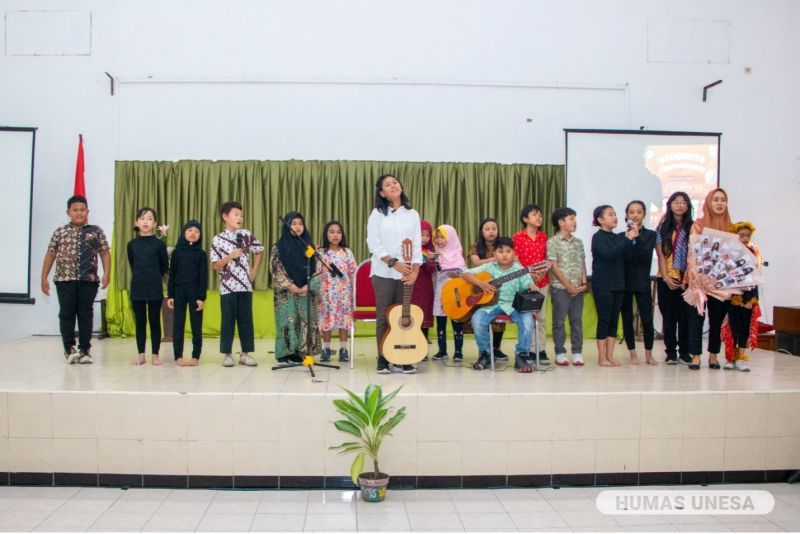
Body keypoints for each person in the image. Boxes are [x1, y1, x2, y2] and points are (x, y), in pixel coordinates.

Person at [41, 195, 110, 364]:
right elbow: (51, 253)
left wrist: (107, 273)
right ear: (68, 212)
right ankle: (69, 349)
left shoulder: (96, 231)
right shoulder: (60, 232)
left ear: (87, 212)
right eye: (75, 210)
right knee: (66, 314)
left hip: (89, 279)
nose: (79, 213)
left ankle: (85, 349)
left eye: (82, 210)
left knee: (85, 314)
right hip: (65, 280)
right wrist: (43, 277)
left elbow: (104, 252)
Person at [366, 174, 422, 374]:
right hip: (383, 272)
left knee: (402, 315)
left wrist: (415, 271)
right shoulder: (377, 214)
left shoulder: (412, 214)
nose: (393, 186)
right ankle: (383, 358)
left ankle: (402, 358)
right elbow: (374, 244)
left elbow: (416, 244)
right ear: (382, 193)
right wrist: (393, 263)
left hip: (407, 273)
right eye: (387, 185)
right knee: (384, 315)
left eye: (395, 182)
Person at [462, 237, 536, 373]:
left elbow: (530, 286)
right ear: (494, 255)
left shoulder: (519, 270)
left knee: (527, 321)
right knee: (477, 320)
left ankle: (521, 356)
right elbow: (465, 274)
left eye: (508, 251)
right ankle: (486, 354)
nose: (505, 254)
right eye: (500, 251)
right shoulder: (489, 267)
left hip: (515, 305)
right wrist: (481, 284)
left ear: (514, 253)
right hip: (491, 305)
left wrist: (533, 285)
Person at [210, 201, 264, 367]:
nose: (239, 217)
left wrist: (254, 269)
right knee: (228, 321)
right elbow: (215, 265)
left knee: (246, 320)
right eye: (235, 214)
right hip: (227, 287)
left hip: (245, 286)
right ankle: (227, 355)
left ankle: (245, 354)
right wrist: (230, 257)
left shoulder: (246, 235)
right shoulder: (218, 239)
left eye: (241, 215)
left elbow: (259, 250)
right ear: (225, 217)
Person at [687, 188, 733, 371]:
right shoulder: (698, 225)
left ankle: (713, 356)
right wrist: (697, 277)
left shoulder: (732, 227)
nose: (720, 203)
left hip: (721, 283)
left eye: (723, 199)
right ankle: (696, 356)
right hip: (699, 281)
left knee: (717, 320)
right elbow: (693, 252)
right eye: (715, 200)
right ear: (708, 202)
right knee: (696, 319)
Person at [591, 205, 637, 367]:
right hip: (602, 284)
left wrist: (631, 239)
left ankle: (610, 356)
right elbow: (608, 255)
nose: (615, 217)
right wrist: (626, 239)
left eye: (615, 214)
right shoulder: (598, 238)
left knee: (613, 320)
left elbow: (627, 256)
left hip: (618, 284)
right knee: (604, 319)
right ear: (600, 220)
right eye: (610, 215)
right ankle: (601, 357)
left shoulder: (619, 237)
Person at [655, 192, 694, 365]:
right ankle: (670, 352)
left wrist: (688, 278)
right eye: (676, 202)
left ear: (688, 207)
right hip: (666, 279)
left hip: (687, 280)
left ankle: (685, 352)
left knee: (685, 317)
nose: (680, 205)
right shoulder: (662, 228)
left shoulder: (693, 227)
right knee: (668, 317)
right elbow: (661, 255)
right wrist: (665, 276)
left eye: (683, 202)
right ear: (669, 205)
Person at [127, 207, 169, 366]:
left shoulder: (159, 244)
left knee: (154, 320)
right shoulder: (131, 244)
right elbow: (132, 263)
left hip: (154, 287)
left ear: (155, 223)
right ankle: (141, 354)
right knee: (140, 321)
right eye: (142, 218)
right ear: (136, 222)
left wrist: (153, 276)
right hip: (137, 286)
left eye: (150, 219)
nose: (146, 222)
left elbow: (164, 266)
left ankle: (155, 354)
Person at [546, 207, 587, 367]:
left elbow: (582, 263)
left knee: (576, 321)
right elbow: (553, 267)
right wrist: (568, 285)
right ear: (561, 222)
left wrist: (583, 283)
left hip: (578, 289)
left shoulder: (579, 242)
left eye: (575, 219)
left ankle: (577, 352)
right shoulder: (552, 242)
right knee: (559, 322)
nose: (574, 222)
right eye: (571, 219)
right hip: (560, 288)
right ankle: (560, 352)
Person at [620, 200, 658, 366]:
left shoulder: (650, 235)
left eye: (639, 212)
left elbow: (644, 254)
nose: (635, 215)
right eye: (631, 212)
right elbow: (624, 257)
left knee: (647, 319)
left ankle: (649, 354)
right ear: (626, 215)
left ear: (644, 215)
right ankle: (632, 353)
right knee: (627, 319)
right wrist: (629, 238)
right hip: (625, 283)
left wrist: (637, 235)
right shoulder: (622, 236)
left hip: (642, 282)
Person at [167, 220, 207, 366]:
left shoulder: (201, 254)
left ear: (200, 235)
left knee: (196, 325)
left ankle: (196, 356)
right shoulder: (177, 253)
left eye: (196, 231)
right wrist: (171, 295)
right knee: (178, 324)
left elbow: (203, 277)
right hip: (178, 291)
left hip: (195, 292)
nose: (193, 233)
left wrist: (201, 297)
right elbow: (172, 275)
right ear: (184, 233)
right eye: (190, 230)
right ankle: (178, 356)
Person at [513, 204, 550, 363]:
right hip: (525, 283)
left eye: (540, 215)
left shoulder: (544, 237)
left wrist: (541, 272)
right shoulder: (518, 237)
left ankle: (540, 350)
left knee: (541, 317)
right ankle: (526, 350)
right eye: (535, 214)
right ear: (525, 218)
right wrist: (528, 276)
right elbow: (515, 259)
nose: (539, 217)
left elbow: (547, 258)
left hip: (543, 281)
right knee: (527, 317)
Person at [317, 220, 357, 363]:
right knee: (326, 319)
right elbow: (317, 274)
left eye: (338, 232)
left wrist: (354, 294)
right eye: (332, 232)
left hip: (344, 293)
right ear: (326, 234)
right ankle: (326, 349)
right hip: (326, 293)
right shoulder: (321, 253)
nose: (335, 235)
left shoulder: (347, 252)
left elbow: (353, 273)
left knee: (343, 321)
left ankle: (343, 349)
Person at [723, 221, 761, 372]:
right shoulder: (728, 253)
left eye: (747, 235)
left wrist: (751, 298)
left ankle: (741, 357)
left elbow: (756, 277)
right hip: (732, 296)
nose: (744, 238)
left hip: (747, 296)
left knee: (744, 328)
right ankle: (730, 358)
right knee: (732, 328)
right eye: (741, 235)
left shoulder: (754, 252)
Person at [468, 218, 509, 359]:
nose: (491, 231)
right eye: (487, 229)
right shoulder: (476, 246)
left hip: (500, 285)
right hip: (480, 285)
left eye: (494, 228)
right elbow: (476, 263)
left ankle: (496, 348)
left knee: (498, 322)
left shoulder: (503, 246)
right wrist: (493, 259)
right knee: (482, 318)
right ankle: (484, 350)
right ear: (481, 231)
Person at [431, 224, 466, 362]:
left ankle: (458, 351)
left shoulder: (457, 254)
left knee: (456, 322)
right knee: (440, 322)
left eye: (442, 237)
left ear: (450, 238)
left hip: (455, 293)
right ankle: (442, 350)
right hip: (440, 292)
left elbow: (464, 273)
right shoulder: (435, 253)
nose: (439, 240)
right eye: (437, 237)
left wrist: (455, 273)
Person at [411, 220, 436, 350]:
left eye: (427, 235)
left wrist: (431, 260)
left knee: (424, 316)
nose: (424, 238)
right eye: (422, 235)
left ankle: (423, 347)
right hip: (412, 287)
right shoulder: (409, 248)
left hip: (426, 288)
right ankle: (412, 344)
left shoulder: (431, 250)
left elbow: (432, 270)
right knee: (412, 315)